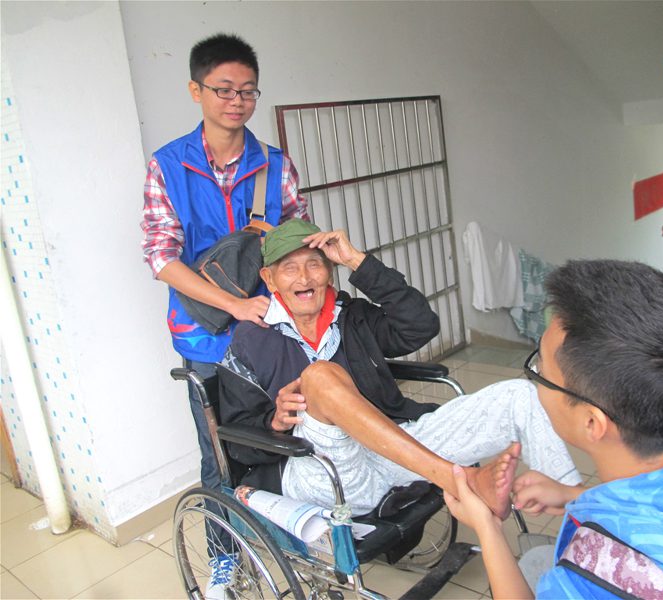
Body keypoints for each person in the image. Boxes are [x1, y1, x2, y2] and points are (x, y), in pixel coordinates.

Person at [445, 259, 663, 599]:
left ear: (592, 422)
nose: (535, 379)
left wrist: (488, 528)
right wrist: (574, 496)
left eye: (540, 370)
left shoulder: (597, 573)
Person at [219, 218, 582, 518]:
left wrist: (358, 261)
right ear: (269, 279)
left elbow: (420, 326)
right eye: (289, 268)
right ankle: (462, 481)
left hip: (395, 453)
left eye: (314, 264)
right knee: (319, 376)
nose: (304, 278)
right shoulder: (250, 341)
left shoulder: (353, 317)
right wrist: (275, 422)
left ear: (329, 272)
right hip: (326, 472)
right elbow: (239, 444)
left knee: (519, 395)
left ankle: (586, 516)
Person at [140, 33, 307, 598]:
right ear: (197, 91)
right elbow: (161, 257)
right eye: (224, 89)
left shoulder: (274, 165)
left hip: (273, 332)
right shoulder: (169, 166)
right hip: (206, 340)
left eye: (248, 91)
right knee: (220, 455)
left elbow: (295, 241)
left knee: (291, 433)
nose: (237, 101)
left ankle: (292, 536)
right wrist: (235, 304)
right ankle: (223, 558)